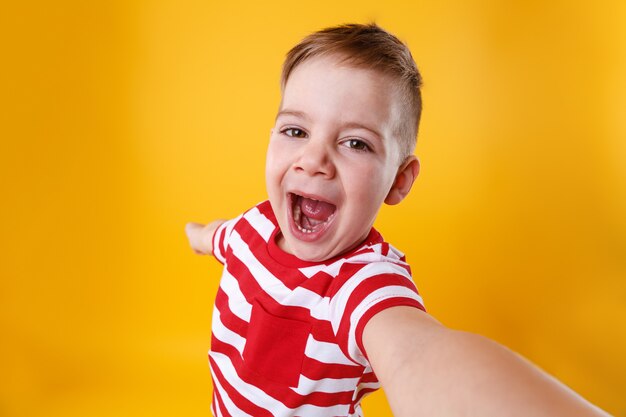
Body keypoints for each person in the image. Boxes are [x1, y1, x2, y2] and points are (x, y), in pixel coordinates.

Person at [186, 23, 610, 417]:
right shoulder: (251, 228)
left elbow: (415, 353)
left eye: (355, 143)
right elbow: (219, 237)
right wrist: (198, 234)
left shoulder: (363, 283)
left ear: (399, 181)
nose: (314, 160)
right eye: (296, 131)